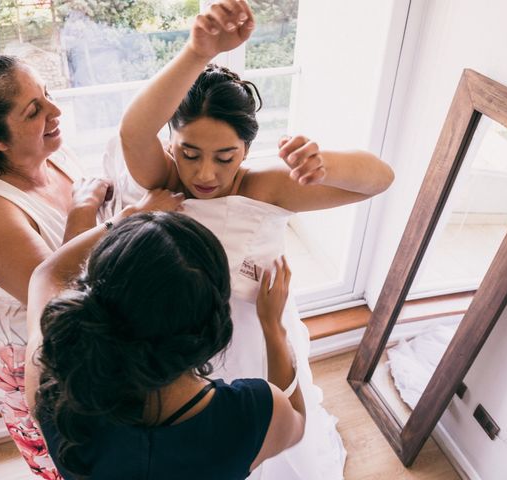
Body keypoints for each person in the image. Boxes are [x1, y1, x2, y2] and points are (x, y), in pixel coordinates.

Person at [110, 1, 395, 478]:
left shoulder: (262, 186)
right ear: (171, 143)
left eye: (224, 157)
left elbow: (380, 178)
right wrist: (197, 52)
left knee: (271, 440)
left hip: (254, 336)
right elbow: (133, 129)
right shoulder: (162, 179)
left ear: (246, 149)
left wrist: (328, 163)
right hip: (175, 344)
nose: (204, 173)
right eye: (190, 153)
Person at [0, 54, 183, 478]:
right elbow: (59, 297)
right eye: (34, 110)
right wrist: (95, 214)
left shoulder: (51, 151)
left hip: (88, 338)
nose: (55, 112)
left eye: (47, 95)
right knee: (71, 464)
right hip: (34, 358)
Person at [24, 211, 306, 479]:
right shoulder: (251, 413)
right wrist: (273, 327)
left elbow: (44, 275)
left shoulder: (54, 388)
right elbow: (296, 421)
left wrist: (123, 219)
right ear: (212, 321)